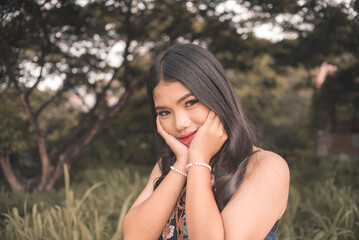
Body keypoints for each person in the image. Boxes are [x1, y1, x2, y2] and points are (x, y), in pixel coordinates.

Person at [122, 43, 290, 240]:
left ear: (217, 97)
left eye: (190, 102)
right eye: (165, 112)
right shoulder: (170, 164)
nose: (180, 123)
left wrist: (199, 160)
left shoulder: (265, 166)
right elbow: (134, 236)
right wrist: (183, 163)